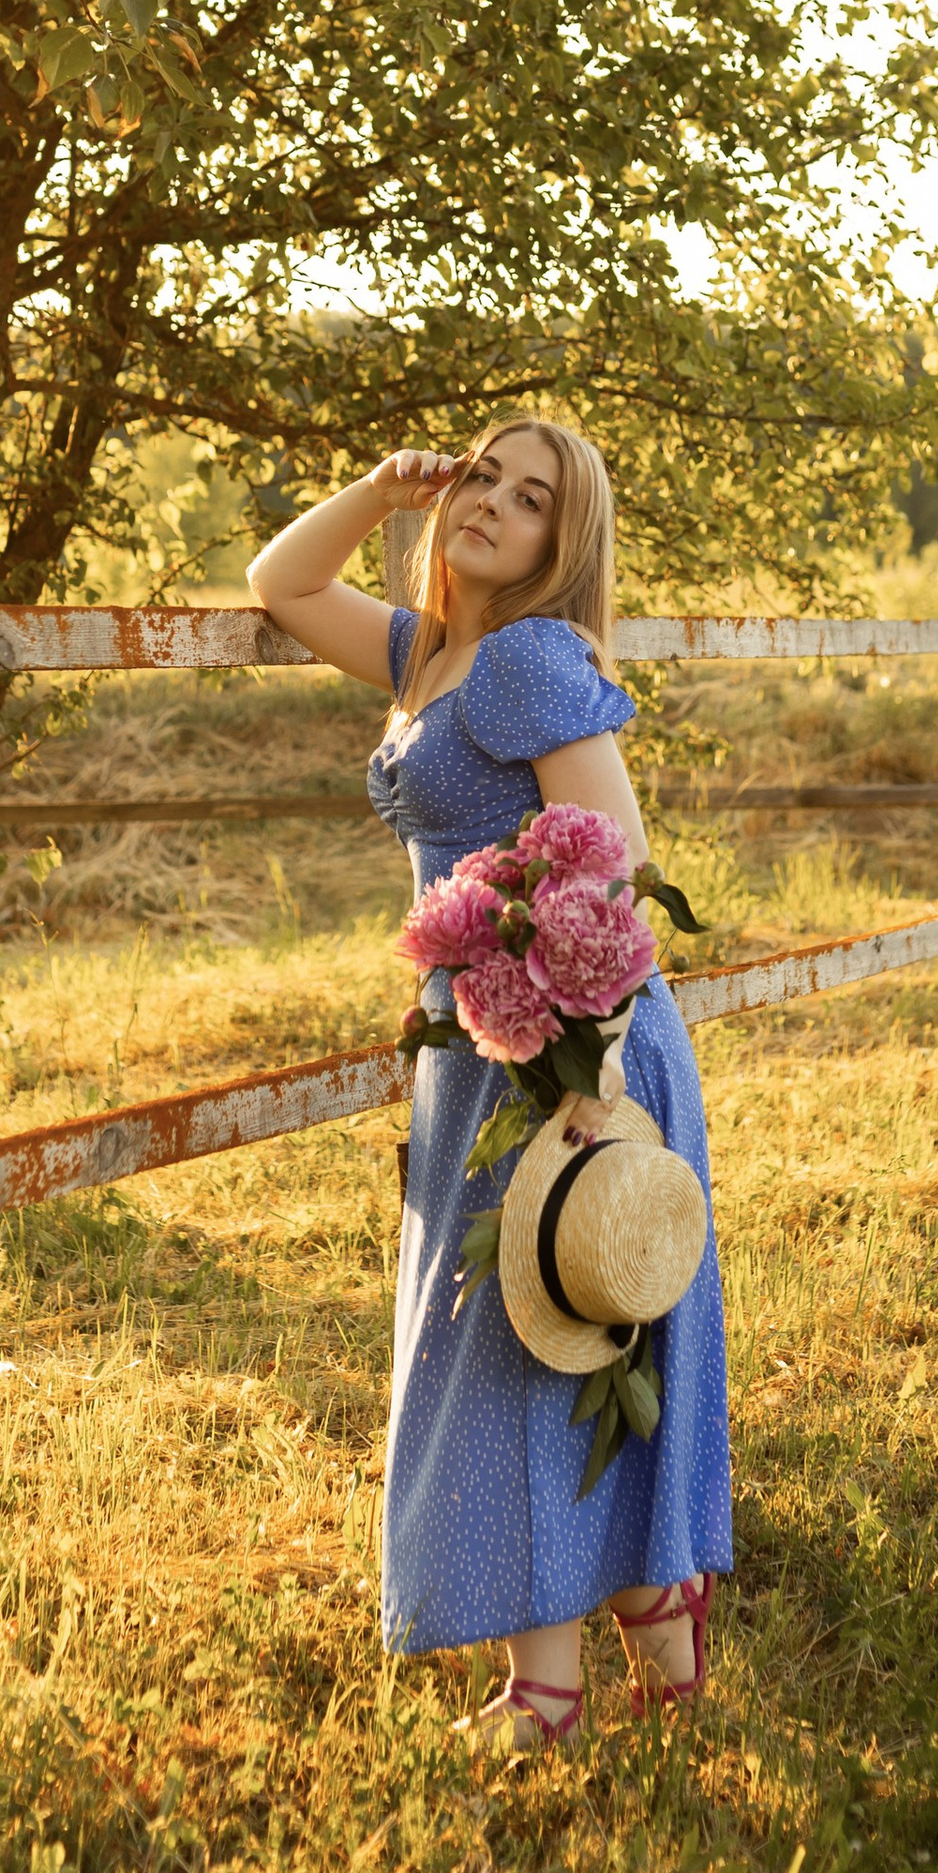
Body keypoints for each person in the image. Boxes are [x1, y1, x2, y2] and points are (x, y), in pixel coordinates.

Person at [250, 421, 732, 1747]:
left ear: (556, 547)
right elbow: (281, 583)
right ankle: (648, 1615)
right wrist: (375, 490)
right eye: (483, 476)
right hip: (478, 1043)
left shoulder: (524, 660)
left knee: (537, 1341)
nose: (494, 507)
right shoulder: (425, 653)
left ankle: (552, 1691)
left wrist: (599, 1067)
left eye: (531, 502)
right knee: (537, 1335)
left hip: (571, 1044)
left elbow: (615, 867)